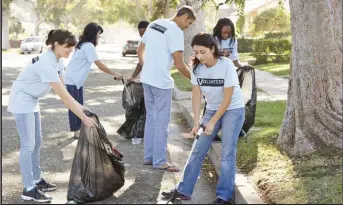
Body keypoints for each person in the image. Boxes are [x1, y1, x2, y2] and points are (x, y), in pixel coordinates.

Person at [7, 29, 97, 203]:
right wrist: (83, 119)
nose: (70, 50)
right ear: (55, 44)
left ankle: (36, 179)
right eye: (67, 47)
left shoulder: (58, 60)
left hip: (32, 100)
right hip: (22, 100)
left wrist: (80, 107)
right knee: (28, 145)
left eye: (71, 47)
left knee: (37, 141)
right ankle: (29, 189)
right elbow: (63, 96)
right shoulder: (46, 62)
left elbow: (64, 91)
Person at [162, 33, 245, 204]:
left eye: (203, 52)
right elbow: (196, 94)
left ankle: (224, 196)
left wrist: (213, 121)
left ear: (212, 49)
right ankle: (184, 190)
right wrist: (197, 121)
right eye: (196, 52)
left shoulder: (226, 65)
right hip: (212, 108)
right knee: (198, 149)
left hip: (233, 110)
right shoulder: (197, 68)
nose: (199, 56)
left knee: (228, 153)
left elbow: (227, 99)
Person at [136, 5, 196, 172]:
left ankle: (149, 157)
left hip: (146, 80)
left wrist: (146, 67)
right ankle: (160, 160)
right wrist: (197, 80)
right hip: (161, 83)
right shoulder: (176, 31)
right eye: (189, 23)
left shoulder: (155, 23)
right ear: (183, 17)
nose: (188, 26)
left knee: (152, 118)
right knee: (162, 121)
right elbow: (180, 64)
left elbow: (139, 50)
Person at [64, 22, 123, 139]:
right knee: (74, 106)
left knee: (79, 105)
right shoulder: (88, 46)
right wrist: (114, 73)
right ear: (93, 34)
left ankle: (79, 128)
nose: (99, 37)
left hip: (75, 80)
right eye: (98, 34)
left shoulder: (83, 44)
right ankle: (76, 130)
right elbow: (99, 65)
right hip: (73, 80)